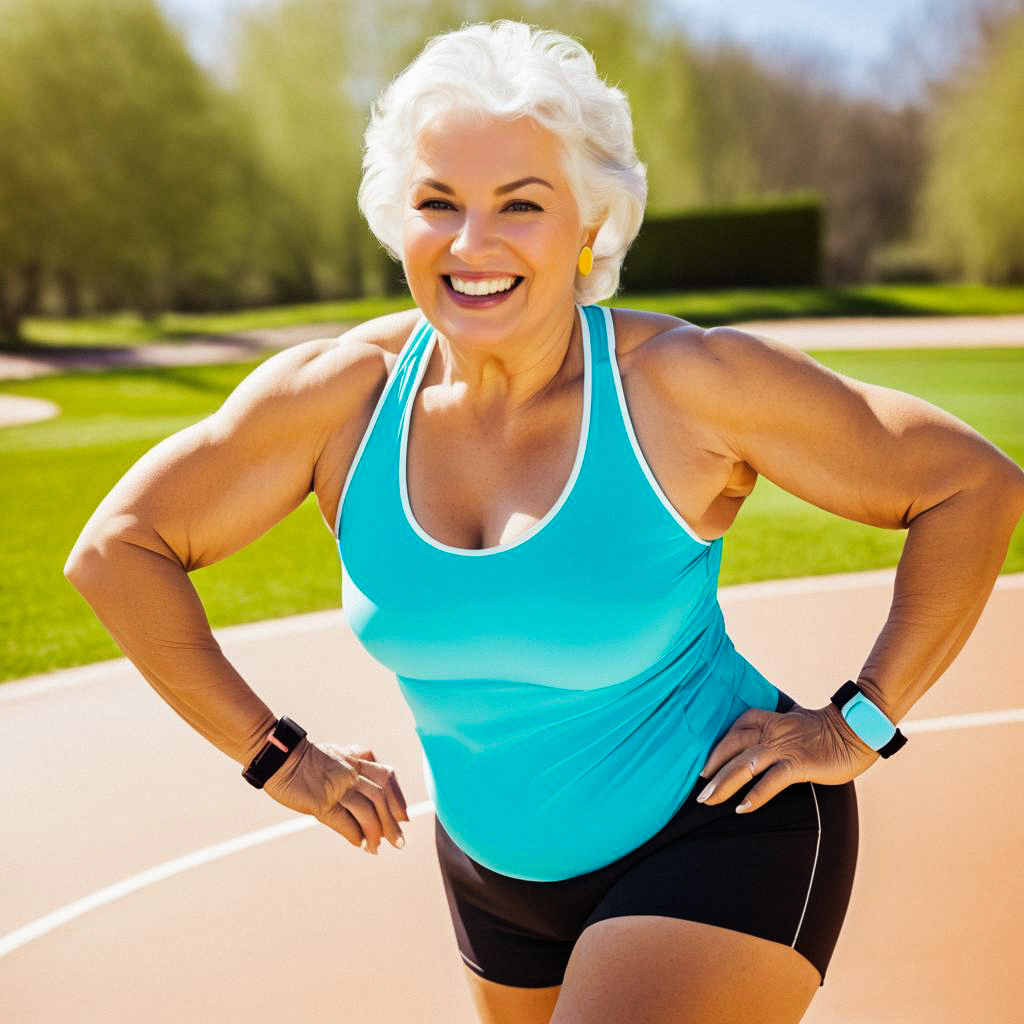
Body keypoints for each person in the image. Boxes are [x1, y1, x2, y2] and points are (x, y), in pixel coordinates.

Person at [64, 18, 1024, 1024]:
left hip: (716, 835)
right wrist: (277, 756)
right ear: (399, 219)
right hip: (493, 883)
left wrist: (857, 722)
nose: (472, 245)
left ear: (589, 226)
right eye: (438, 203)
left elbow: (969, 485)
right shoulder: (340, 398)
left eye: (519, 205)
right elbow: (117, 549)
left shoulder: (681, 388)